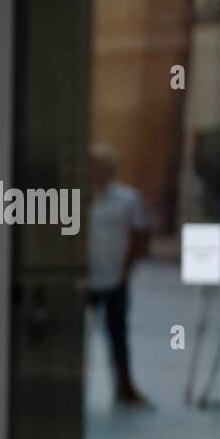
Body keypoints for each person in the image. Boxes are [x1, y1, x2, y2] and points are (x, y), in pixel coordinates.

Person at [84, 143, 153, 407]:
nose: (96, 172)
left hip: (114, 279)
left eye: (101, 167)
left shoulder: (128, 199)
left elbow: (140, 236)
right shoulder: (77, 198)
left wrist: (127, 272)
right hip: (84, 281)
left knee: (117, 335)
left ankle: (124, 387)